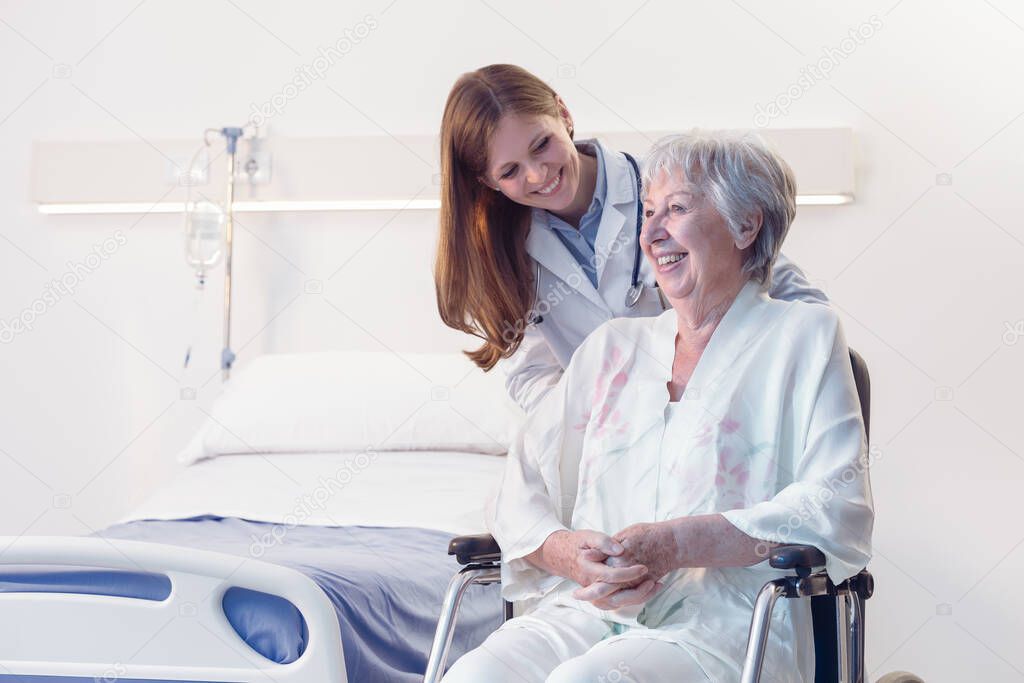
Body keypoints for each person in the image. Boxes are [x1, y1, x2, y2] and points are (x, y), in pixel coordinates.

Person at [441, 131, 874, 682]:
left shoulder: (803, 336)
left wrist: (678, 544)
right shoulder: (612, 348)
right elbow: (519, 486)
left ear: (746, 226)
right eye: (647, 212)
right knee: (475, 675)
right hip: (592, 608)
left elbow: (839, 505)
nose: (650, 233)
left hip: (729, 623)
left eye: (676, 209)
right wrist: (564, 551)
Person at [434, 64, 829, 413]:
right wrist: (592, 435)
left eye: (542, 144)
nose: (538, 174)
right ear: (488, 181)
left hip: (721, 414)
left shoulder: (670, 188)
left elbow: (796, 301)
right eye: (510, 171)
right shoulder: (504, 255)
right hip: (612, 448)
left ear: (564, 114)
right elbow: (533, 376)